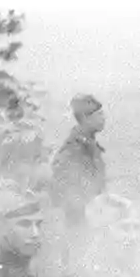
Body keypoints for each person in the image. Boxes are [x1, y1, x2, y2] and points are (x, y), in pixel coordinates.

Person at [52, 94, 108, 233]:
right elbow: (63, 186)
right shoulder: (73, 148)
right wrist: (84, 209)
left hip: (96, 218)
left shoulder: (90, 145)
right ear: (85, 118)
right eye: (99, 114)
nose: (103, 118)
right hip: (81, 223)